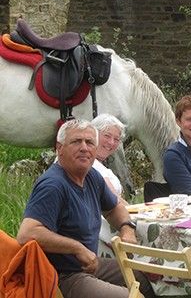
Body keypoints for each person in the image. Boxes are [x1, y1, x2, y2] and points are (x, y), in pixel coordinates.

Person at [16, 119, 154, 298]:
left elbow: (114, 208)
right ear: (59, 148)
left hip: (89, 265)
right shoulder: (53, 185)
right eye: (76, 141)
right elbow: (27, 234)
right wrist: (77, 248)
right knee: (128, 296)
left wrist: (127, 228)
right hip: (61, 275)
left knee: (144, 279)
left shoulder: (91, 176)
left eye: (89, 142)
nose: (84, 148)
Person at [91, 114, 127, 204]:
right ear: (93, 134)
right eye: (107, 136)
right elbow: (115, 200)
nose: (111, 142)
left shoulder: (98, 163)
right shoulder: (88, 162)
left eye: (116, 139)